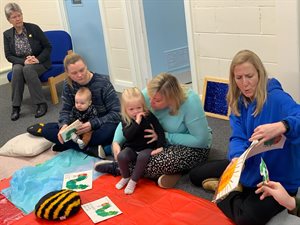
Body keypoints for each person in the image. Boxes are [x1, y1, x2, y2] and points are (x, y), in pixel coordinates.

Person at [189, 49, 300, 225]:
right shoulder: (237, 102)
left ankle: (228, 190)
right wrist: (235, 158)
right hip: (248, 164)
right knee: (195, 175)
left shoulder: (277, 98)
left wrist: (282, 126)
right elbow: (238, 137)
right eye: (238, 78)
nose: (245, 83)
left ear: (260, 74)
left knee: (246, 219)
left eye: (249, 76)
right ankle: (235, 187)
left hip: (276, 178)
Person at [95, 72, 212, 188]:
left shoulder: (191, 102)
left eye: (157, 100)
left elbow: (200, 140)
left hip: (189, 144)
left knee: (157, 161)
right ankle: (172, 172)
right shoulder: (150, 93)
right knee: (132, 148)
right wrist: (116, 142)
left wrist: (165, 136)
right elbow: (129, 118)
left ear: (171, 99)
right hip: (155, 143)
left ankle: (119, 168)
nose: (150, 102)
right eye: (150, 98)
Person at [41, 53, 121, 158]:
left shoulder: (103, 83)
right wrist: (63, 125)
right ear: (67, 73)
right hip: (78, 127)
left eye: (82, 70)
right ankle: (90, 149)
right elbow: (66, 110)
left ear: (86, 66)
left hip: (101, 125)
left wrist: (92, 124)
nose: (79, 75)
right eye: (74, 73)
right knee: (46, 130)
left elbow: (117, 113)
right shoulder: (68, 85)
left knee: (110, 131)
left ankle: (71, 145)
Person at [3, 2, 51, 121]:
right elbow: (8, 55)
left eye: (19, 15)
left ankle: (41, 104)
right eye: (14, 17)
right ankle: (16, 107)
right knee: (18, 69)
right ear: (9, 20)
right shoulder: (7, 34)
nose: (18, 19)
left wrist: (37, 59)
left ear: (22, 15)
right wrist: (24, 61)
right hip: (21, 63)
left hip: (39, 62)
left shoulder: (33, 28)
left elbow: (48, 47)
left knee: (28, 69)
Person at [116, 87, 165, 194]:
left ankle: (133, 181)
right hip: (132, 147)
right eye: (131, 109)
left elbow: (159, 130)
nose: (136, 112)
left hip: (147, 146)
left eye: (138, 108)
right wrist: (137, 122)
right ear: (125, 110)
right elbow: (128, 135)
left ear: (143, 106)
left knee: (142, 157)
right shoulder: (125, 119)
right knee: (121, 156)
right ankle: (125, 177)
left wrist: (160, 145)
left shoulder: (148, 115)